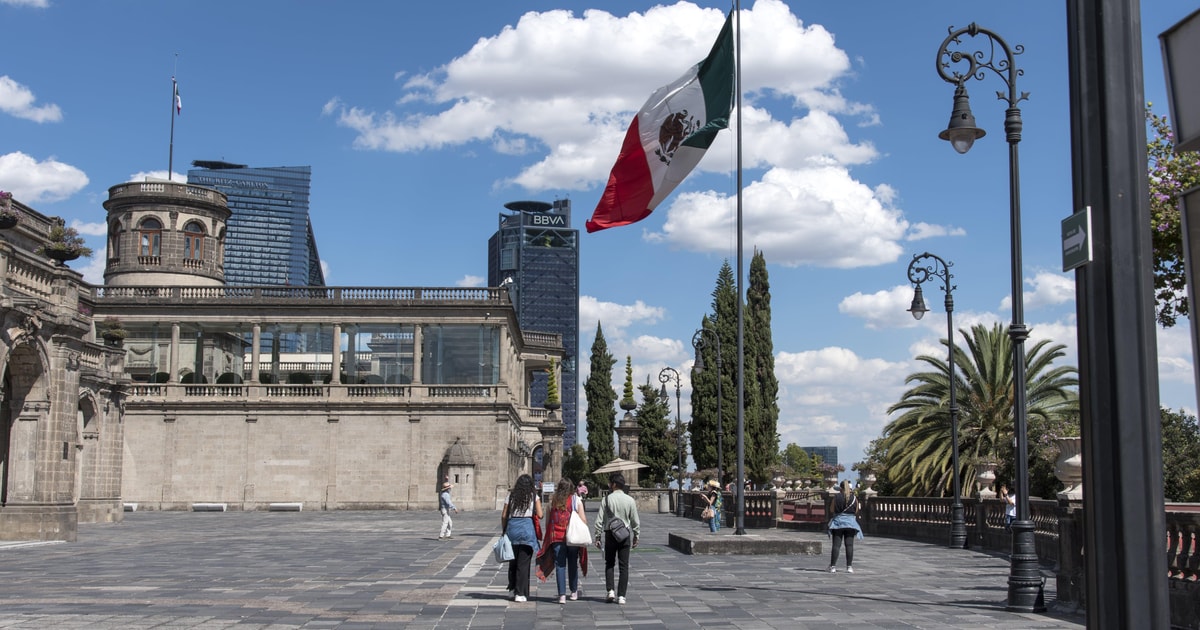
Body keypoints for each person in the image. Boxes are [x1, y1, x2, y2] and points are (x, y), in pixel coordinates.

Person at [536, 478, 589, 604]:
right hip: (572, 538)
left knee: (560, 565)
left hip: (557, 538)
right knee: (572, 564)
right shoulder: (576, 500)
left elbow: (548, 522)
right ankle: (574, 592)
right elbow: (584, 520)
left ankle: (562, 596)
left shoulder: (552, 501)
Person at [593, 472, 639, 605]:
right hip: (624, 535)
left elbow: (599, 521)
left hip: (610, 534)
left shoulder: (606, 499)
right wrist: (636, 535)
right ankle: (622, 596)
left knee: (610, 563)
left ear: (613, 484)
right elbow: (635, 520)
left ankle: (610, 590)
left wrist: (597, 536)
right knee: (624, 566)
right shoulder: (630, 500)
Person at [502, 474, 542, 602]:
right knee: (523, 564)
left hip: (513, 528)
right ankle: (521, 593)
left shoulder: (511, 496)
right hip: (526, 529)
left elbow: (504, 515)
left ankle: (512, 588)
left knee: (512, 561)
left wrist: (504, 529)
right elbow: (540, 515)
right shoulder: (533, 497)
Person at [827, 480, 863, 573]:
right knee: (849, 545)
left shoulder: (836, 497)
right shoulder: (854, 498)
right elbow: (856, 511)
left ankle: (833, 566)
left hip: (838, 523)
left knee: (836, 545)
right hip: (850, 523)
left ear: (840, 488)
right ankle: (849, 566)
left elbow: (831, 509)